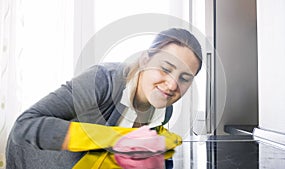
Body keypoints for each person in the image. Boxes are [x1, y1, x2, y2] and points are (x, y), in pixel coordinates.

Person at [5, 28, 202, 169]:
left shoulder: (164, 111)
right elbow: (24, 125)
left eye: (184, 78)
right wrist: (118, 139)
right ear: (145, 60)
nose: (172, 85)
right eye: (166, 69)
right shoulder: (101, 81)